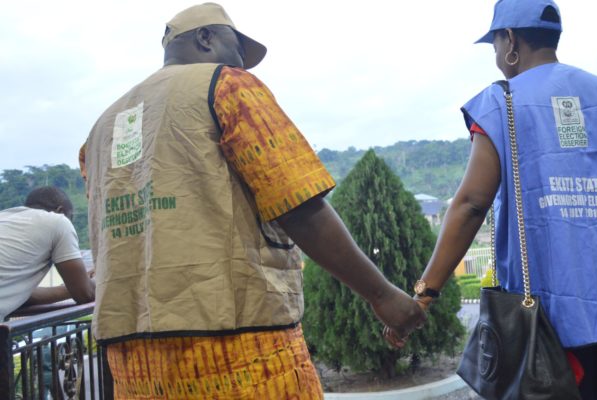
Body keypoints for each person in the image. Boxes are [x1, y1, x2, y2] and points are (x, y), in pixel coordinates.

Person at [80, 3, 425, 399]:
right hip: (239, 350)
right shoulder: (226, 85)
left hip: (133, 366)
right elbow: (298, 205)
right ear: (205, 38)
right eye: (238, 50)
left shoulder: (101, 129)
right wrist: (383, 295)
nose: (243, 65)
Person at [387, 0, 597, 399]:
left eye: (496, 46)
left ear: (510, 40)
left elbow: (471, 203)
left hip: (546, 325)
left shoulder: (502, 101)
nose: (498, 57)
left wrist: (425, 293)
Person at [0, 186, 95, 321]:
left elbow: (19, 295)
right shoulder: (58, 221)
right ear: (60, 211)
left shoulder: (5, 217)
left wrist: (74, 285)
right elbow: (85, 295)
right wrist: (97, 282)